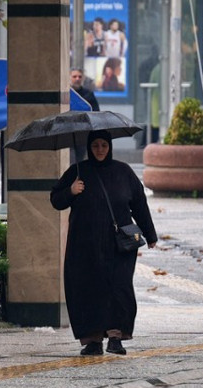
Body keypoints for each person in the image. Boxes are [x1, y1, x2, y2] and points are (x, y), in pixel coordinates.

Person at [51, 130, 157, 357]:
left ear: (110, 147)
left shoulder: (123, 172)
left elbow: (139, 203)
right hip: (84, 246)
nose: (100, 150)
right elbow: (56, 200)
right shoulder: (77, 172)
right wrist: (71, 191)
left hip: (119, 246)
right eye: (95, 145)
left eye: (104, 145)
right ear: (89, 148)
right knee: (88, 289)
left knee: (119, 289)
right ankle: (93, 340)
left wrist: (150, 235)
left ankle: (116, 337)